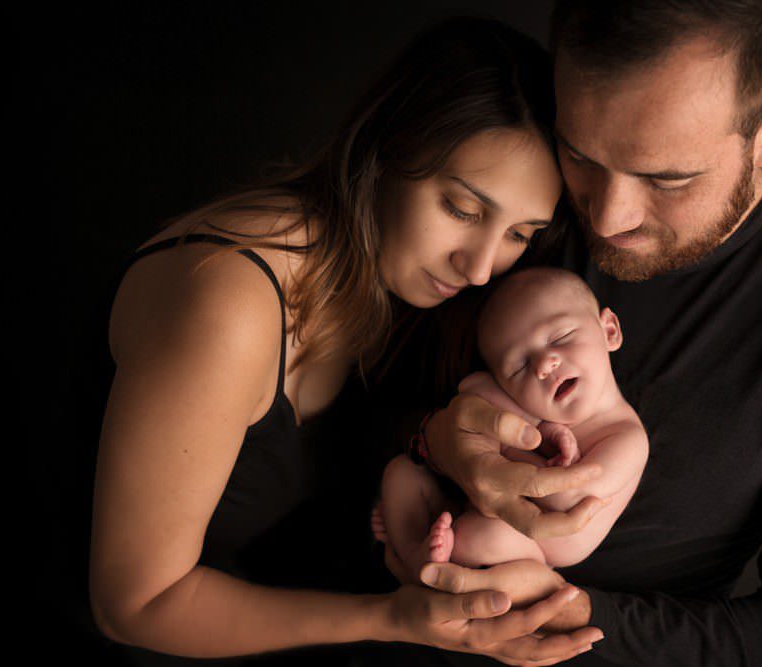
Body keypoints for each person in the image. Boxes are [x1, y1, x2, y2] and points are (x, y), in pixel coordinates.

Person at [380, 2, 762, 665]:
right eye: (581, 154)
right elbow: (342, 404)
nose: (608, 218)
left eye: (667, 179)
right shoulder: (522, 198)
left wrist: (575, 610)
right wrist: (432, 440)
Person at [88, 17, 609, 666]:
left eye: (518, 234)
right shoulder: (230, 300)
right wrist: (394, 619)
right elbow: (132, 605)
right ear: (390, 147)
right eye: (462, 209)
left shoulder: (394, 285)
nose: (480, 267)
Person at [375, 267, 648, 580]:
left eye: (561, 337)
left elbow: (565, 499)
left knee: (480, 536)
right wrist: (539, 429)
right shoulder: (532, 410)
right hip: (464, 499)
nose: (544, 366)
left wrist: (509, 449)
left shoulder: (626, 436)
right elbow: (472, 386)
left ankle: (431, 559)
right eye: (519, 368)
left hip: (533, 546)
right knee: (400, 472)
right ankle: (412, 553)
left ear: (609, 331)